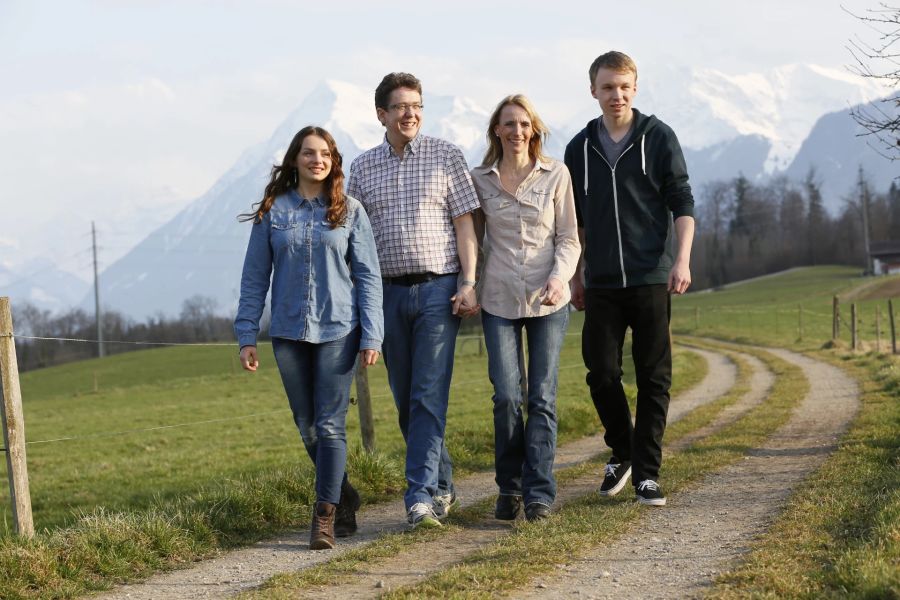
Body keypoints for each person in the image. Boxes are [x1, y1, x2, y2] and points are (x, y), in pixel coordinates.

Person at [234, 126, 383, 549]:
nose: (316, 160)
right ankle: (344, 493)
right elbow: (253, 278)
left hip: (339, 329)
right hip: (287, 333)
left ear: (333, 160)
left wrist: (372, 335)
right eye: (308, 153)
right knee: (308, 427)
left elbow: (368, 277)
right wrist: (246, 333)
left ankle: (324, 516)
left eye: (324, 154)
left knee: (331, 425)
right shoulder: (272, 212)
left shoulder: (349, 210)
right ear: (295, 159)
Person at [347, 72, 480, 528]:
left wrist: (469, 282)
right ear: (382, 114)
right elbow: (355, 240)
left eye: (417, 105)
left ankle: (418, 496)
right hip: (387, 292)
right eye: (401, 106)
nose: (411, 113)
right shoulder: (363, 168)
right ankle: (442, 484)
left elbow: (466, 225)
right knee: (405, 398)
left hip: (439, 289)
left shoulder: (447, 156)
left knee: (427, 393)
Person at [564, 51, 695, 507]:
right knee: (601, 372)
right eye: (607, 87)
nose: (616, 95)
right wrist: (575, 275)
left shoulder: (658, 137)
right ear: (593, 90)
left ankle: (647, 474)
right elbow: (574, 222)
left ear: (634, 87)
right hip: (599, 281)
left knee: (653, 377)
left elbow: (682, 201)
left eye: (623, 86)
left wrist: (682, 260)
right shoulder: (578, 148)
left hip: (650, 277)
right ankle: (623, 450)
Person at [470, 94, 580, 521]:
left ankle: (539, 493)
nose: (517, 131)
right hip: (497, 299)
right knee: (506, 396)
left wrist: (560, 277)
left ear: (534, 129)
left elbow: (569, 237)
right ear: (496, 131)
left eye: (524, 124)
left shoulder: (557, 175)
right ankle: (509, 487)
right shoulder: (480, 179)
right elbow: (472, 239)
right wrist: (468, 284)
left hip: (548, 299)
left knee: (542, 397)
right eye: (508, 124)